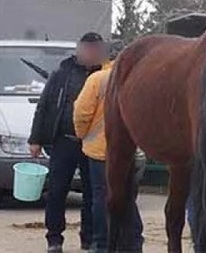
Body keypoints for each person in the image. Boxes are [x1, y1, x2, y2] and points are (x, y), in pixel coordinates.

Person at [28, 32, 108, 253]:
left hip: (92, 143)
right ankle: (54, 239)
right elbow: (43, 107)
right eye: (86, 49)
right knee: (56, 191)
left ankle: (89, 238)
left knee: (92, 194)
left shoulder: (105, 75)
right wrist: (35, 139)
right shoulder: (61, 74)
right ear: (79, 49)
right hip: (64, 141)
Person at [73, 48, 146, 253]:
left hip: (101, 151)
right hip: (135, 150)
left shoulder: (98, 79)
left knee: (101, 197)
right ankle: (133, 242)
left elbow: (81, 113)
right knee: (128, 197)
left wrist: (82, 135)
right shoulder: (138, 78)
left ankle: (102, 242)